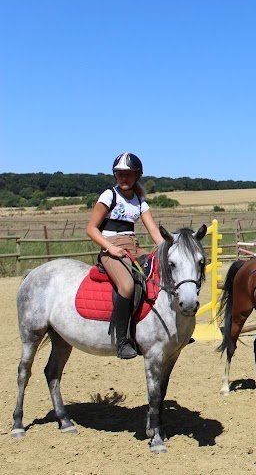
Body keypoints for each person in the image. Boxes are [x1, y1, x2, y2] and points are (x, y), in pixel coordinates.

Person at [86, 153, 164, 359]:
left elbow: (154, 233)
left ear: (137, 176)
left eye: (128, 174)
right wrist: (109, 248)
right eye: (120, 174)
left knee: (159, 273)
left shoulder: (140, 201)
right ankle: (122, 341)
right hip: (110, 249)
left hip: (133, 248)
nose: (123, 178)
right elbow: (92, 229)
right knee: (127, 286)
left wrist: (169, 249)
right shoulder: (108, 196)